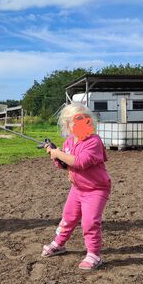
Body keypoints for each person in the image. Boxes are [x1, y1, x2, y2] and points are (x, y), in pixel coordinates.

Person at [41, 102, 111, 271]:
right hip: (77, 189)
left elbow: (80, 162)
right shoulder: (68, 143)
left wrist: (59, 154)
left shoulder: (93, 141)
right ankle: (59, 243)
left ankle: (94, 254)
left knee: (89, 222)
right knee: (68, 218)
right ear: (67, 125)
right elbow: (66, 165)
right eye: (76, 121)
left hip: (96, 189)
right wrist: (56, 156)